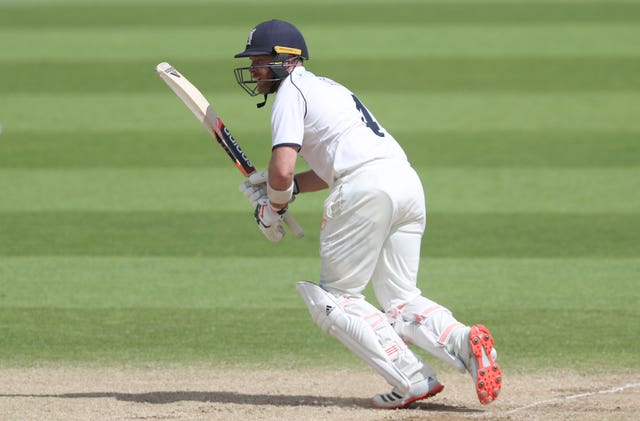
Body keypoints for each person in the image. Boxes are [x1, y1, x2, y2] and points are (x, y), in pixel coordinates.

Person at [235, 19, 502, 409]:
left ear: (286, 60)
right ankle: (465, 341)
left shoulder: (290, 93)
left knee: (335, 298)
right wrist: (285, 192)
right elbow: (326, 170)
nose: (254, 69)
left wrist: (271, 207)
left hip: (363, 188)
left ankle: (412, 380)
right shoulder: (330, 88)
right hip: (405, 182)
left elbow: (283, 168)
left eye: (260, 60)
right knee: (400, 299)